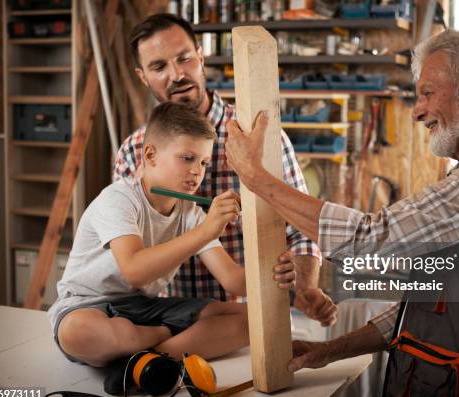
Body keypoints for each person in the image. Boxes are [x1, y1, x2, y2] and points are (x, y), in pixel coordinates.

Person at [225, 29, 459, 397]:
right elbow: (424, 306)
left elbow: (371, 241)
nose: (417, 110)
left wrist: (256, 178)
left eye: (427, 93)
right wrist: (331, 351)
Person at [113, 13, 336, 325]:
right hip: (165, 321)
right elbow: (130, 255)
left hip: (250, 325)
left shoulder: (257, 137)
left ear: (201, 58)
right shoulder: (134, 151)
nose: (177, 74)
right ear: (143, 77)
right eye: (159, 67)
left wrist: (305, 285)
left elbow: (301, 229)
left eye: (184, 58)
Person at [48, 103, 297, 371]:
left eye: (203, 162)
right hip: (87, 306)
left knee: (259, 319)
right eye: (188, 158)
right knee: (79, 333)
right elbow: (134, 271)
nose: (197, 171)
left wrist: (277, 274)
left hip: (144, 308)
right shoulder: (118, 199)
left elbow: (233, 281)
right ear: (151, 155)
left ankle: (144, 362)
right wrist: (205, 232)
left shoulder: (191, 213)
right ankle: (160, 343)